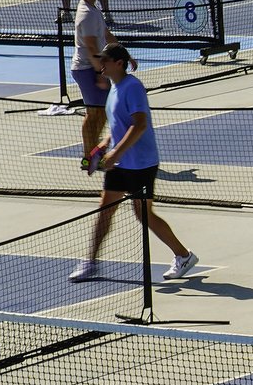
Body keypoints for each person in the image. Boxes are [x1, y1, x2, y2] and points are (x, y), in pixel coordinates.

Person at [71, 43, 198, 283]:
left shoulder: (133, 88)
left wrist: (116, 153)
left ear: (118, 64)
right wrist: (103, 145)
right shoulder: (114, 88)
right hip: (120, 165)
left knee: (144, 215)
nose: (101, 65)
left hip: (141, 164)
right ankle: (90, 262)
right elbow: (119, 123)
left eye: (105, 61)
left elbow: (139, 125)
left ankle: (183, 256)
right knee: (104, 211)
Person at [69, 0, 124, 174]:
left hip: (93, 68)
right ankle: (88, 156)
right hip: (87, 69)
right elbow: (92, 47)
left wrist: (123, 53)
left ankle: (93, 154)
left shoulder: (93, 9)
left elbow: (106, 34)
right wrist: (100, 73)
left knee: (100, 113)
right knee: (95, 113)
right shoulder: (86, 14)